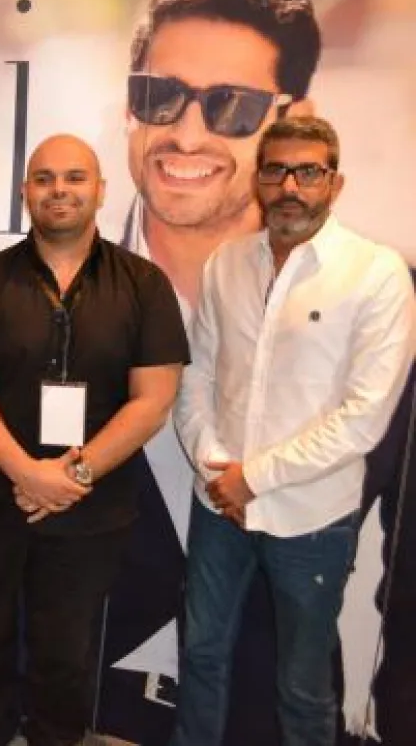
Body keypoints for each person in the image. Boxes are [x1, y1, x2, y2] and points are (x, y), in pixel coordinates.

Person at [101, 0, 323, 740]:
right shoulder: (54, 287)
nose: (187, 133)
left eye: (231, 104)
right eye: (159, 96)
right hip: (87, 699)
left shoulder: (369, 293)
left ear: (290, 118)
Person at [169, 115, 415, 746]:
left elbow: (364, 416)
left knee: (303, 686)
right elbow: (196, 376)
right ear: (258, 179)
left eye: (308, 172)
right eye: (276, 170)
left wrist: (253, 478)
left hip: (312, 518)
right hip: (217, 507)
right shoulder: (226, 264)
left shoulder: (376, 272)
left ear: (335, 183)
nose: (290, 187)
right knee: (200, 657)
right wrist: (215, 466)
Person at [0, 134, 189, 746]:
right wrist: (28, 472)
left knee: (66, 652)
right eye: (45, 178)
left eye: (75, 178)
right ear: (26, 191)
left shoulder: (144, 284)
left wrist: (74, 474)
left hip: (91, 508)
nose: (60, 190)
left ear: (100, 190)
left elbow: (154, 399)